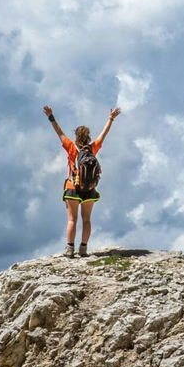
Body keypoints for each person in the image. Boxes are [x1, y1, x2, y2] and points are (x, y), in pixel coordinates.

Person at [44, 105, 120, 257]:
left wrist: (51, 116)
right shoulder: (93, 148)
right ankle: (83, 248)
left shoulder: (71, 147)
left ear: (76, 137)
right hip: (89, 189)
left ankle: (70, 249)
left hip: (73, 187)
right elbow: (103, 134)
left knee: (72, 219)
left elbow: (59, 132)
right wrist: (110, 119)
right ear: (88, 137)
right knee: (87, 220)